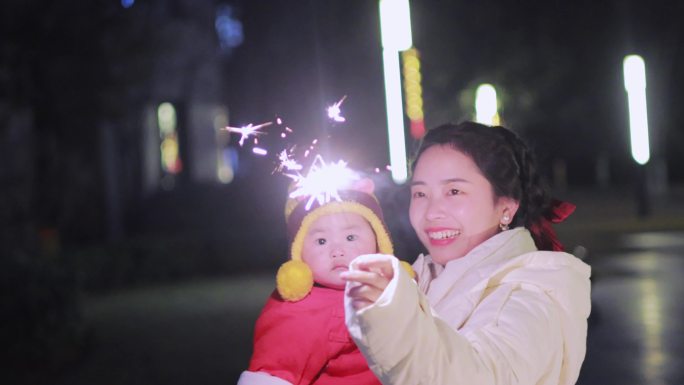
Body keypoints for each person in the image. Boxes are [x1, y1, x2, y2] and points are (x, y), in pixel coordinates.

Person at [342, 121, 591, 385]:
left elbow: (478, 376)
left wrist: (389, 314)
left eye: (454, 191)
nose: (431, 212)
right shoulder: (421, 276)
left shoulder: (528, 296)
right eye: (420, 193)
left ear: (506, 206)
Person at [238, 178, 398, 385]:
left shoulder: (395, 290)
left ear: (379, 241)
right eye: (321, 241)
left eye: (350, 237)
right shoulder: (301, 312)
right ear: (299, 254)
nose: (337, 251)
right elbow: (274, 371)